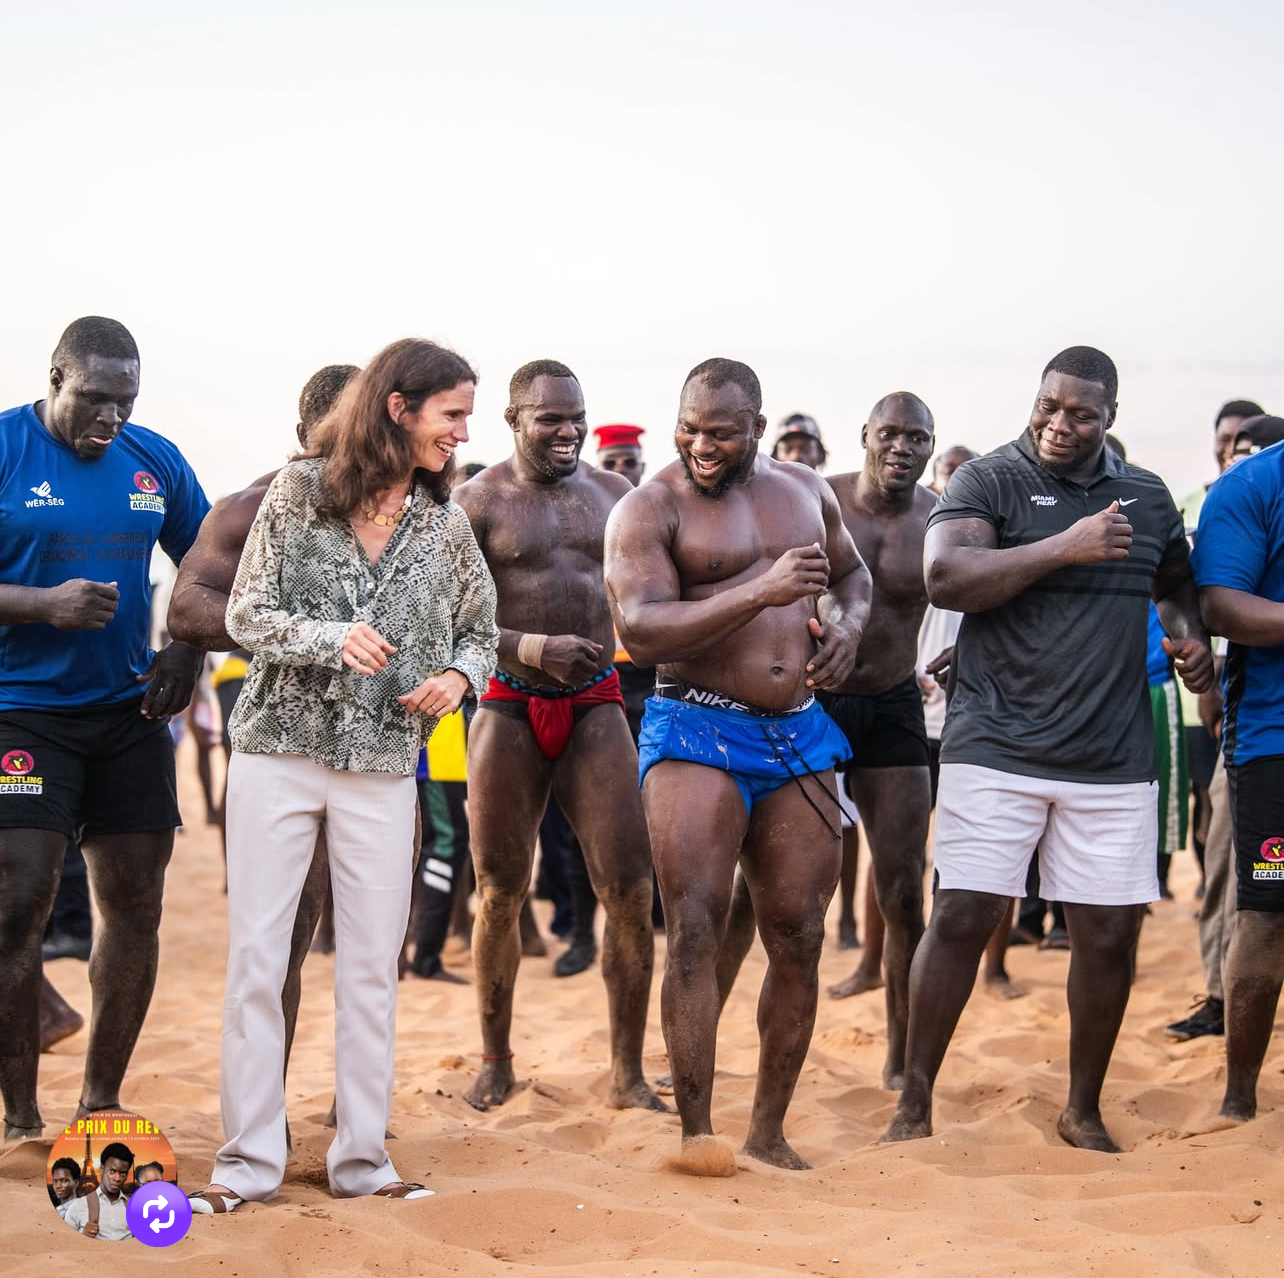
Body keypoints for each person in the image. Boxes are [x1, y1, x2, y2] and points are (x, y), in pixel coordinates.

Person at [190, 338, 498, 1214]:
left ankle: (363, 1162)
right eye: (452, 414)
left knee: (370, 967)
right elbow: (244, 611)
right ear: (397, 409)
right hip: (277, 755)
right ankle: (246, 1163)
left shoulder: (445, 520)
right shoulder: (294, 494)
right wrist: (330, 640)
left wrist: (460, 678)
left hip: (383, 767)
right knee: (257, 960)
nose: (462, 432)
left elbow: (481, 626)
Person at [882, 346, 1213, 1153]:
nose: (1061, 425)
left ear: (1111, 418)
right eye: (1050, 407)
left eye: (1082, 413)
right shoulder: (987, 480)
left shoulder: (1145, 495)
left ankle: (1082, 1109)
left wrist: (1189, 636)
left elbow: (1174, 582)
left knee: (1107, 935)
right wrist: (1065, 545)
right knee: (961, 915)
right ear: (1035, 401)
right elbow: (948, 577)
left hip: (1110, 753)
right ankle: (914, 1102)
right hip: (995, 742)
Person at [605, 357, 872, 1173]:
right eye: (688, 429)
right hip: (694, 726)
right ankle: (696, 1132)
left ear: (758, 428)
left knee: (798, 933)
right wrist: (761, 591)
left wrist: (850, 629)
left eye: (720, 433)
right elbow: (644, 630)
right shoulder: (649, 508)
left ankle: (768, 1128)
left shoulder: (805, 491)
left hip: (796, 732)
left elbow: (854, 577)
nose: (699, 446)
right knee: (695, 925)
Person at [0, 317, 209, 1141]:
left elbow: (210, 561)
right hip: (20, 712)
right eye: (94, 399)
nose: (109, 419)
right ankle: (19, 1117)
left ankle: (100, 1099)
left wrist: (185, 650)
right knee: (18, 907)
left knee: (136, 907)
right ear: (56, 377)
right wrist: (40, 606)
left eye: (124, 402)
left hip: (128, 713)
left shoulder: (151, 459)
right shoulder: (8, 449)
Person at [453, 361, 661, 1113]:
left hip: (598, 705)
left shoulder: (617, 496)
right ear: (513, 418)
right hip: (508, 704)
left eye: (576, 417)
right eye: (550, 419)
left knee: (631, 891)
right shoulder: (474, 503)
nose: (568, 431)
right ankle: (495, 1061)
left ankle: (628, 1071)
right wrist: (531, 647)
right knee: (500, 891)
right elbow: (448, 621)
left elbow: (659, 588)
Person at [168, 364, 360, 1081]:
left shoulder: (410, 514)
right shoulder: (253, 507)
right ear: (303, 435)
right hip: (285, 745)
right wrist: (308, 633)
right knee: (279, 940)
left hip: (380, 752)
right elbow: (187, 609)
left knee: (376, 950)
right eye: (333, 438)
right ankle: (262, 1112)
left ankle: (356, 1116)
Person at [1191, 432, 1284, 1123]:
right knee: (1268, 911)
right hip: (1274, 741)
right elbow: (1221, 606)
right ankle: (1239, 1099)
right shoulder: (1252, 485)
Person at [63, 1143, 133, 1239]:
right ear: (101, 1169)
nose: (117, 1178)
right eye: (111, 1171)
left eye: (123, 1173)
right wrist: (81, 1236)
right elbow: (63, 1244)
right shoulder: (77, 1207)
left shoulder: (135, 1209)